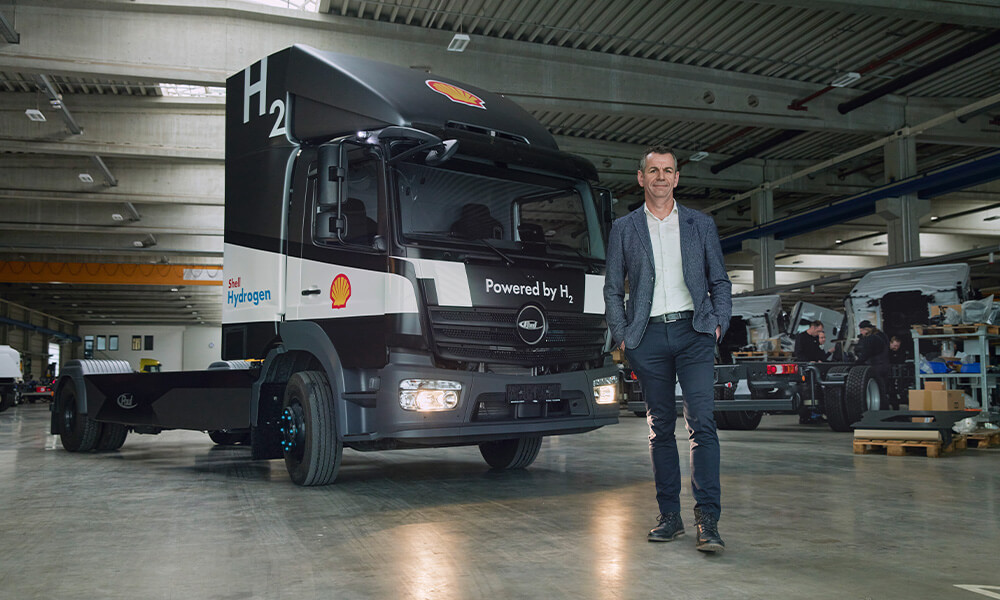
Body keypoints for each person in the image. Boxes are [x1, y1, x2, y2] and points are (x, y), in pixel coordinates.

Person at [604, 146, 732, 553]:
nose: (661, 177)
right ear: (641, 178)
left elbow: (720, 281)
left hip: (694, 332)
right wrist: (623, 335)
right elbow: (612, 288)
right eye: (653, 170)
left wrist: (717, 325)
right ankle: (670, 517)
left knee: (702, 425)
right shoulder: (624, 228)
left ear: (677, 178)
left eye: (668, 171)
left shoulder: (700, 224)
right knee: (660, 428)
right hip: (648, 338)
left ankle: (707, 521)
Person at [854, 320, 890, 395]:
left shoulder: (871, 338)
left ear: (866, 329)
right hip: (885, 365)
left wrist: (856, 363)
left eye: (861, 331)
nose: (861, 333)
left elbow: (866, 354)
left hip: (876, 366)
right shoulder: (882, 335)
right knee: (883, 389)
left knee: (877, 390)